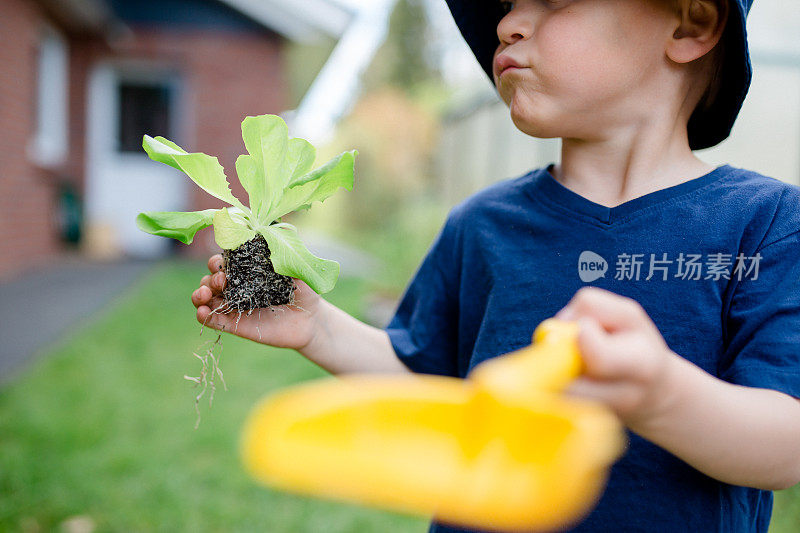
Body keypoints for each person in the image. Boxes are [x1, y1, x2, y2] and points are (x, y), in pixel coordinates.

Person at [191, 0, 800, 531]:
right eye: (509, 1)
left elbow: (785, 444)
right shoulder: (482, 224)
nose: (508, 23)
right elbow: (434, 387)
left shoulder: (765, 223)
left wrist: (660, 394)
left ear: (691, 23)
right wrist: (318, 327)